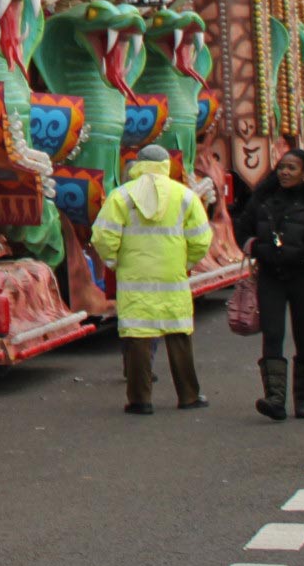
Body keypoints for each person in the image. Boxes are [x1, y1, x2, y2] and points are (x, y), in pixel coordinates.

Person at [91, 144, 215, 414]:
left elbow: (102, 236)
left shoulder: (121, 196)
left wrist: (114, 261)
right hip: (172, 277)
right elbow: (201, 239)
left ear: (138, 164)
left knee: (137, 336)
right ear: (166, 165)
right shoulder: (185, 196)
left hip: (134, 278)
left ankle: (140, 400)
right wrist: (186, 263)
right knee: (179, 333)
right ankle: (189, 396)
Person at [233, 148, 304, 419]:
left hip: (303, 276)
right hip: (270, 275)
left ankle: (303, 400)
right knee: (272, 334)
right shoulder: (263, 200)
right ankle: (275, 398)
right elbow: (242, 230)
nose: (284, 172)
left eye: (292, 168)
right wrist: (257, 248)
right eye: (282, 167)